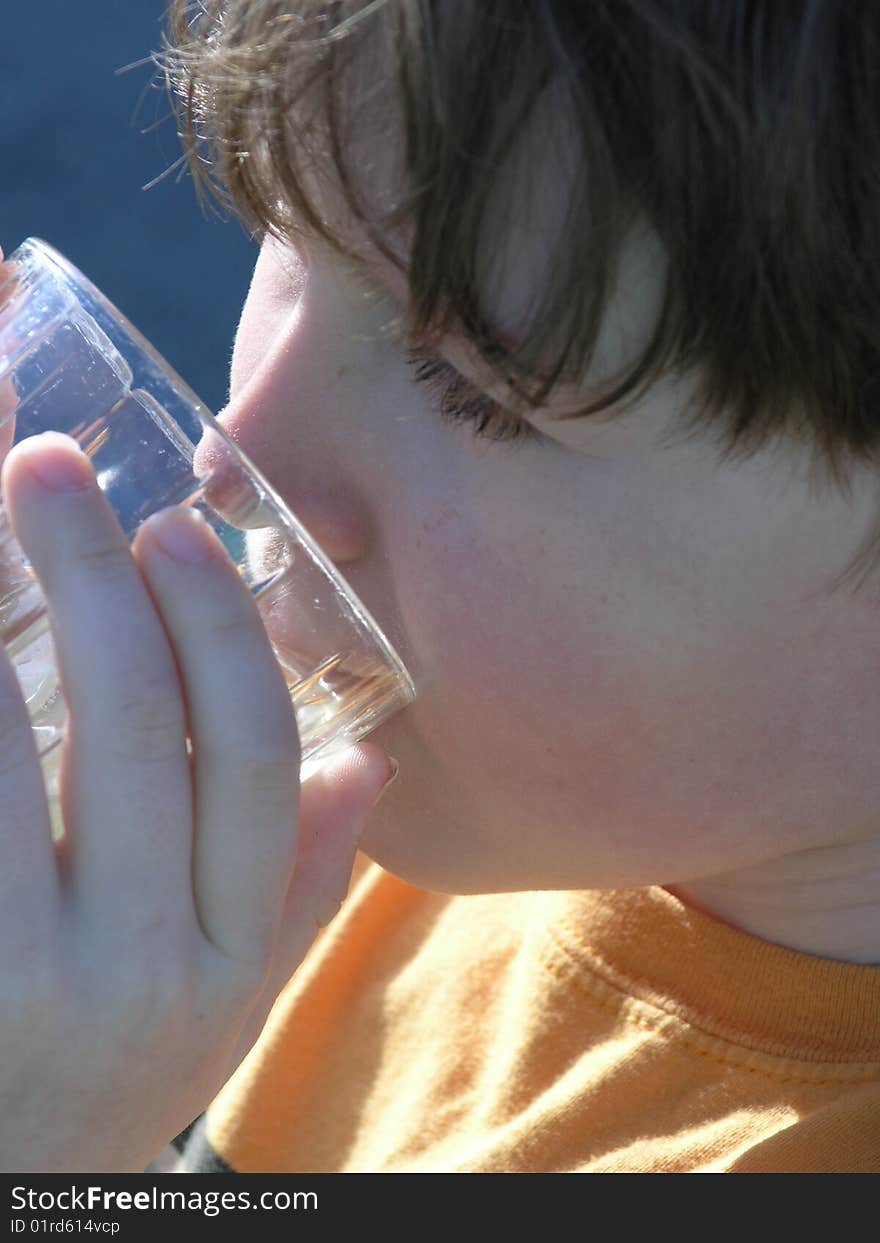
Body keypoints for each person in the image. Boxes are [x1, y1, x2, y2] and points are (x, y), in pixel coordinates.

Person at [4, 0, 880, 1174]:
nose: (233, 455)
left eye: (478, 392)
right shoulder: (445, 793)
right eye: (283, 230)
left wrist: (49, 1147)